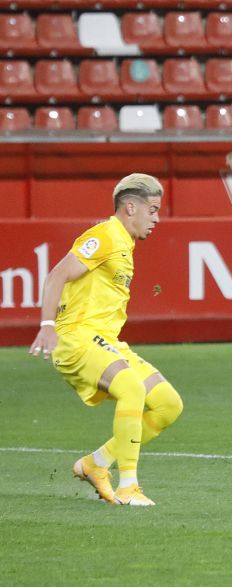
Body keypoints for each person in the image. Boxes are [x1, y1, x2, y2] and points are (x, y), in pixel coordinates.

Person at [29, 174, 182, 507]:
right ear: (130, 207)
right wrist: (47, 325)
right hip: (77, 338)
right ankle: (129, 486)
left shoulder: (124, 244)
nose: (157, 218)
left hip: (104, 341)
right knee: (132, 387)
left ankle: (96, 464)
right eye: (153, 210)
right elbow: (57, 274)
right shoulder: (104, 236)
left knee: (169, 404)